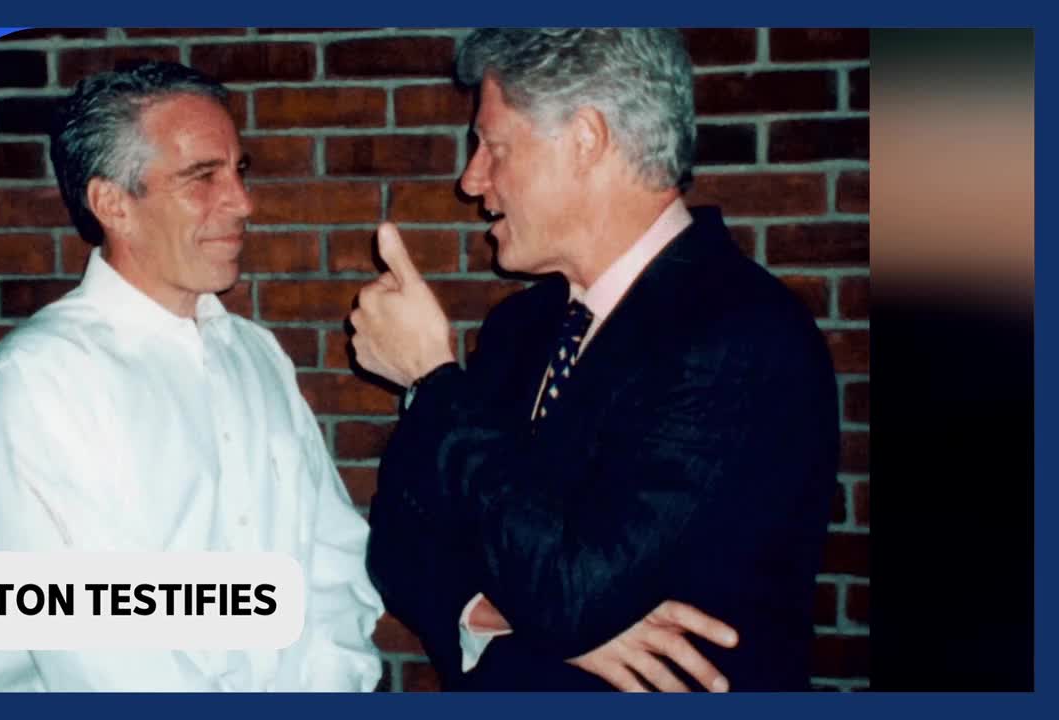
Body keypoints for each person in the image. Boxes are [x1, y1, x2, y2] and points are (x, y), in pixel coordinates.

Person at [352, 28, 839, 691]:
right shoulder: (519, 328)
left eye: (495, 147)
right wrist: (490, 612)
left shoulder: (739, 337)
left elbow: (571, 593)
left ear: (586, 139)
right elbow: (399, 538)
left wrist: (434, 382)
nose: (473, 181)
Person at [0, 62, 383, 691]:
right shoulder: (37, 380)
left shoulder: (255, 355)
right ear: (112, 204)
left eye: (238, 171)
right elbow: (95, 645)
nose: (243, 202)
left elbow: (331, 562)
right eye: (201, 177)